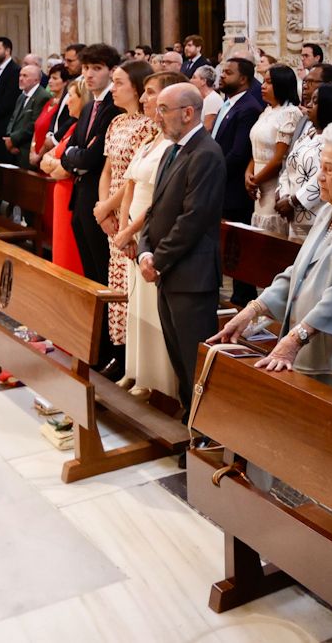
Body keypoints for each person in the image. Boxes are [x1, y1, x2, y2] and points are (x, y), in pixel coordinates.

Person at [218, 123, 332, 410]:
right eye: (320, 166)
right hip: (314, 348)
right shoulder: (330, 208)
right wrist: (252, 311)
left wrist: (295, 338)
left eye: (329, 169)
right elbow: (299, 271)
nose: (319, 176)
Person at [136, 83, 226, 416]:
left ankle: (205, 429)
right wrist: (144, 250)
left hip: (191, 276)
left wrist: (157, 260)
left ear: (188, 113)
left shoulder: (206, 154)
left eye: (163, 109)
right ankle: (190, 419)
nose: (156, 117)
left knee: (195, 360)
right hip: (168, 271)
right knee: (178, 354)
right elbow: (155, 209)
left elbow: (193, 219)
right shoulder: (172, 150)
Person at [108, 70, 184, 403]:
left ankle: (158, 381)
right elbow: (131, 184)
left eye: (150, 93)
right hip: (132, 232)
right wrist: (122, 227)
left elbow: (157, 200)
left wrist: (131, 230)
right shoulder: (151, 138)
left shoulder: (173, 143)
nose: (143, 99)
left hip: (149, 231)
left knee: (151, 307)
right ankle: (135, 370)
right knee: (135, 304)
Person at [94, 60, 159, 376]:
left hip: (130, 210)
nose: (113, 88)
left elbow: (133, 177)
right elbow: (107, 170)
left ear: (134, 86)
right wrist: (101, 204)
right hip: (111, 210)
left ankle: (135, 360)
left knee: (131, 286)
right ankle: (119, 354)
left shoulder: (149, 126)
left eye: (118, 82)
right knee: (115, 283)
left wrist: (110, 208)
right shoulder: (116, 123)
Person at [62, 44, 124, 284]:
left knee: (101, 266)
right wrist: (75, 156)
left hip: (100, 196)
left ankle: (106, 322)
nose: (88, 74)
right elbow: (68, 153)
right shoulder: (89, 107)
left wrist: (76, 156)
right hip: (81, 193)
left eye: (96, 68)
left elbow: (91, 157)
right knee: (89, 269)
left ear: (111, 70)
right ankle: (96, 321)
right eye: (86, 68)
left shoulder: (112, 107)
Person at [212, 56, 266, 304]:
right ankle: (234, 296)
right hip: (223, 186)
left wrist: (209, 169)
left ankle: (242, 298)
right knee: (228, 247)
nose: (222, 76)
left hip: (234, 188)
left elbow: (238, 152)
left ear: (243, 79)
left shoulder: (248, 108)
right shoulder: (229, 104)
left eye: (228, 73)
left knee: (238, 249)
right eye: (223, 72)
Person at [277, 84, 332, 241]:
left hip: (316, 213)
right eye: (309, 100)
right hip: (293, 212)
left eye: (315, 101)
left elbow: (324, 177)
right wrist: (283, 194)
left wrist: (293, 201)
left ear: (329, 106)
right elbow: (289, 165)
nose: (309, 105)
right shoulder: (308, 134)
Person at [248, 64, 304, 238]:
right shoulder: (266, 111)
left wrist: (256, 179)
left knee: (272, 233)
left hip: (274, 181)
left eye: (269, 82)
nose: (263, 86)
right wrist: (248, 173)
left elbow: (280, 157)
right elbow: (256, 147)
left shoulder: (290, 113)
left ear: (282, 84)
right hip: (257, 181)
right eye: (263, 81)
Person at [38, 77, 87, 275]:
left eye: (71, 97)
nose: (67, 102)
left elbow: (65, 169)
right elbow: (45, 160)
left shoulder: (81, 129)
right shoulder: (71, 126)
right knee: (61, 253)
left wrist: (55, 164)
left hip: (71, 194)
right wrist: (55, 164)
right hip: (60, 192)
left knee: (71, 255)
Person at [3, 63, 48, 164]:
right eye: (20, 75)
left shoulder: (42, 97)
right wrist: (9, 137)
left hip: (26, 149)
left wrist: (13, 140)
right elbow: (13, 118)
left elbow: (33, 124)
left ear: (36, 80)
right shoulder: (22, 96)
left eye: (25, 76)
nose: (20, 78)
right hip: (14, 147)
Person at [30, 64, 68, 168]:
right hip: (36, 155)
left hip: (48, 157)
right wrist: (32, 150)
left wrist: (39, 155)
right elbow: (36, 128)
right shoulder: (49, 102)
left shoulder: (65, 106)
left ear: (65, 82)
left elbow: (53, 135)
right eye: (50, 77)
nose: (50, 81)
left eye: (55, 78)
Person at [191, 64, 223, 132]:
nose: (191, 80)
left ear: (203, 81)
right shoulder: (201, 98)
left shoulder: (213, 100)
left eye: (194, 77)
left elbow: (207, 128)